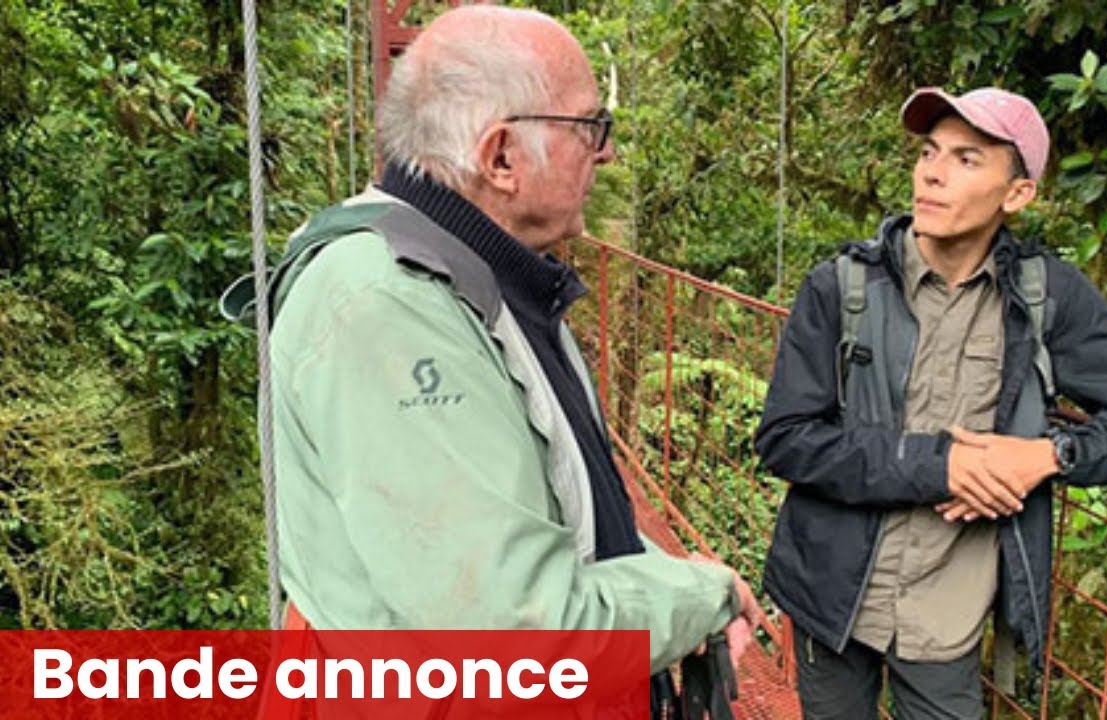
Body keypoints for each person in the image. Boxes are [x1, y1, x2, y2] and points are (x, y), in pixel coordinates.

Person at [239, 5, 759, 715]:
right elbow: (513, 633)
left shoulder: (485, 275)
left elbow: (551, 496)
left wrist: (660, 572)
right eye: (590, 128)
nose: (604, 153)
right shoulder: (389, 304)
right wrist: (698, 596)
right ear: (501, 157)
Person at [754, 86, 1107, 719]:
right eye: (928, 152)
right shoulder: (841, 286)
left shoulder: (1045, 298)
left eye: (967, 159)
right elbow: (785, 438)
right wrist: (938, 465)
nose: (932, 175)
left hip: (950, 617)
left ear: (1017, 193)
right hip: (829, 600)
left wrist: (1052, 455)